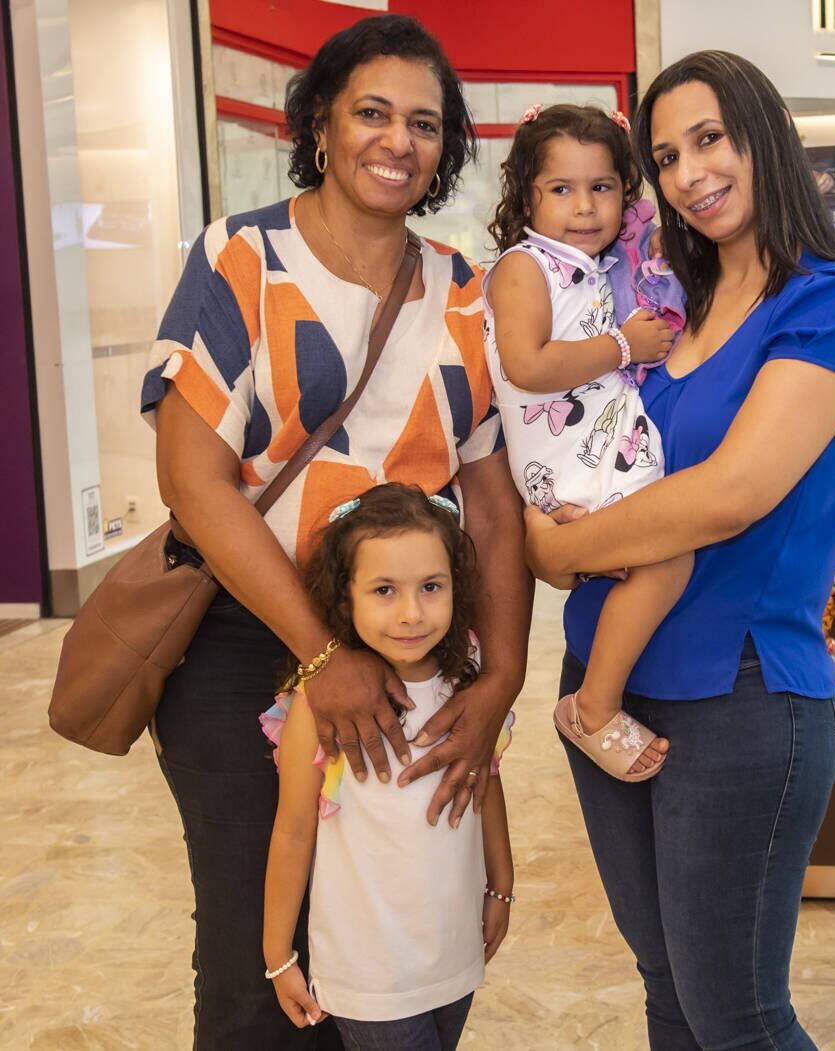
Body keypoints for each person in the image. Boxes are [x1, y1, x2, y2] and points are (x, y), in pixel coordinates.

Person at [140, 14, 530, 1049]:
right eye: (371, 112)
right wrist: (321, 653)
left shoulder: (464, 290)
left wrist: (500, 679)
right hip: (246, 644)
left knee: (398, 930)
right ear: (319, 122)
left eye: (425, 123)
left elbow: (491, 506)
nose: (397, 140)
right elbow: (194, 478)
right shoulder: (239, 255)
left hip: (413, 644)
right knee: (257, 940)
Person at [523, 51, 835, 1050]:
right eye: (667, 154)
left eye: (710, 139)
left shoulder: (826, 303)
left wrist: (564, 553)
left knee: (738, 1016)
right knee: (670, 992)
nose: (689, 173)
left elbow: (732, 494)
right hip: (603, 681)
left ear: (762, 133)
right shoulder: (664, 302)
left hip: (739, 696)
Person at [261, 484, 514, 1050]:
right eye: (383, 590)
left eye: (431, 587)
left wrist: (501, 886)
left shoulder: (467, 679)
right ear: (345, 599)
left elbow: (484, 783)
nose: (411, 613)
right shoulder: (319, 706)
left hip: (451, 949)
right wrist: (278, 955)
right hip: (370, 973)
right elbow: (293, 830)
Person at [483, 103, 690, 781]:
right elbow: (528, 364)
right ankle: (591, 705)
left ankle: (599, 694)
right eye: (561, 189)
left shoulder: (593, 265)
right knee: (667, 556)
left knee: (656, 556)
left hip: (595, 447)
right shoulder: (524, 266)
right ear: (526, 195)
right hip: (567, 455)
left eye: (600, 187)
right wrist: (624, 343)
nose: (583, 206)